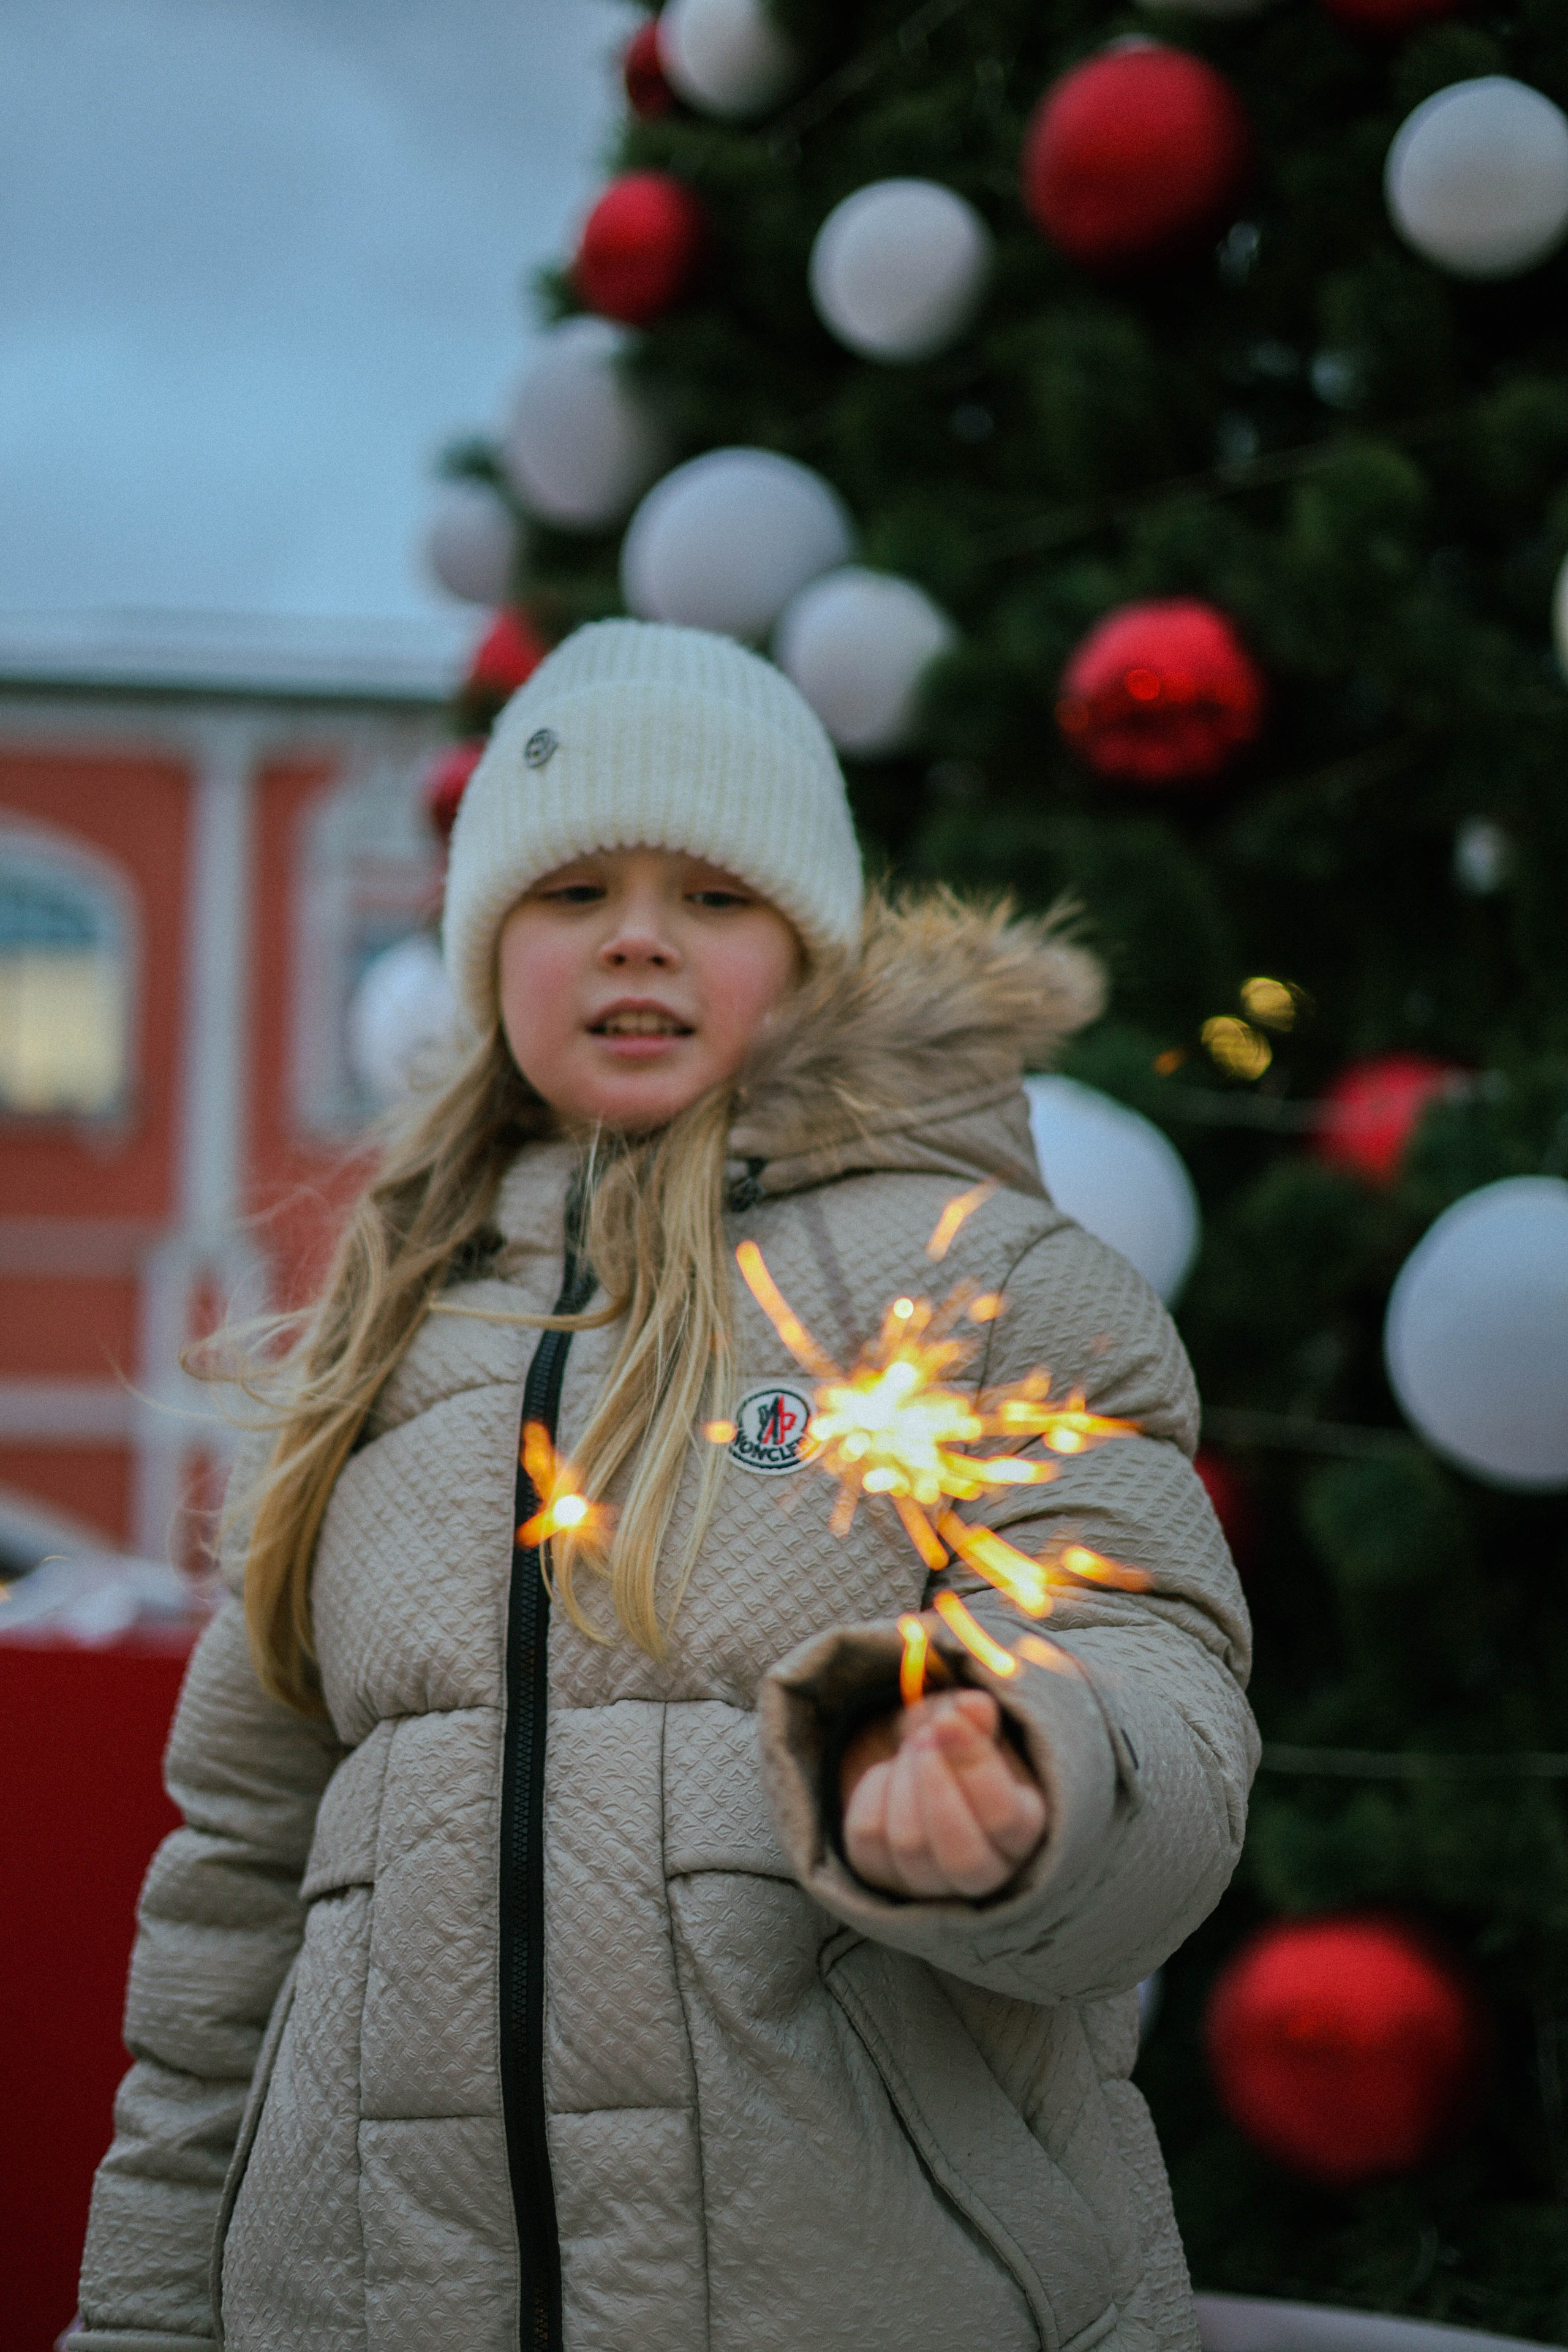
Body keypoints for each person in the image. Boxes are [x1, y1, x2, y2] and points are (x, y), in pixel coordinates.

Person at [76, 620, 1256, 2352]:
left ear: (810, 945)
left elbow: (1149, 1672)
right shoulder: (372, 1350)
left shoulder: (979, 1289)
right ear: (490, 954)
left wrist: (1020, 1762)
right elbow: (230, 1905)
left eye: (714, 892)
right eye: (572, 894)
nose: (639, 933)